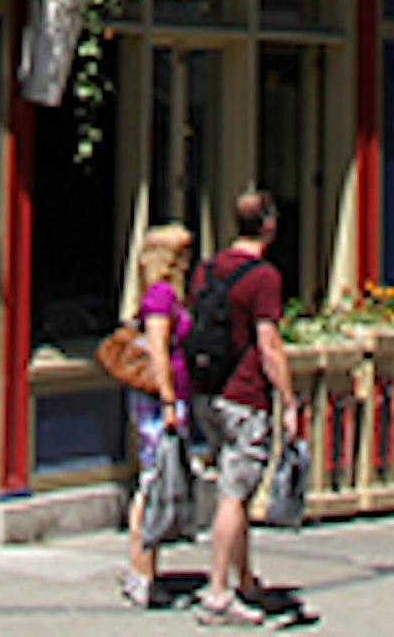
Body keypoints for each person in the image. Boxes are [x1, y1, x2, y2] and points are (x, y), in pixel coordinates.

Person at [192, 192, 294, 627]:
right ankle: (218, 592)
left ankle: (245, 578)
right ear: (268, 225)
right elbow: (269, 345)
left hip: (207, 392)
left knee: (236, 486)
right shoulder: (264, 277)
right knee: (234, 495)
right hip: (245, 394)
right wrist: (288, 400)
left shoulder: (207, 269)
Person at [122, 221, 196, 610]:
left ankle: (146, 568)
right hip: (158, 401)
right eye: (181, 255)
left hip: (166, 398)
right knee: (153, 481)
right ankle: (141, 570)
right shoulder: (160, 297)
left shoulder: (161, 296)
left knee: (156, 480)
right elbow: (157, 349)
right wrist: (169, 400)